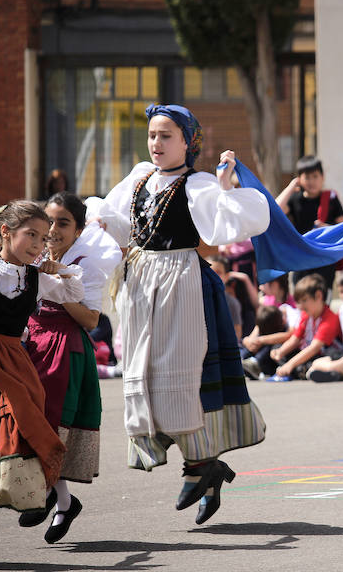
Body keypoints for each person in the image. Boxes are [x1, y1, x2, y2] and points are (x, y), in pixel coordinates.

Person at [84, 104, 269, 526]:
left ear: (188, 141)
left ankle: (200, 467)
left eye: (166, 135)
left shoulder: (198, 183)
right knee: (145, 374)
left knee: (180, 378)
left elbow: (221, 232)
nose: (156, 143)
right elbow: (112, 222)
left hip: (181, 282)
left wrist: (224, 190)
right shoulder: (139, 178)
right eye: (152, 135)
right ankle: (203, 466)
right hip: (140, 284)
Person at [0, 201, 84, 565]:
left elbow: (75, 293)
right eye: (31, 235)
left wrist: (60, 269)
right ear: (6, 232)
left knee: (10, 440)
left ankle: (53, 500)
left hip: (15, 365)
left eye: (44, 239)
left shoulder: (36, 278)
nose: (38, 245)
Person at [22, 192, 121, 544]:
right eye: (49, 221)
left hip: (64, 349)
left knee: (50, 426)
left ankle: (53, 496)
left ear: (78, 229)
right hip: (33, 342)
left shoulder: (84, 263)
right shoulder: (32, 252)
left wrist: (63, 287)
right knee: (30, 423)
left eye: (63, 223)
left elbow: (92, 319)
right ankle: (61, 499)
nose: (53, 230)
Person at [276, 155, 343, 290]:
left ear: (323, 177)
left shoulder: (331, 199)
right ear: (299, 179)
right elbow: (275, 210)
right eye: (307, 177)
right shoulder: (295, 199)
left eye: (315, 176)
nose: (311, 181)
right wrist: (291, 187)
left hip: (324, 260)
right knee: (301, 298)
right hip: (301, 259)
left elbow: (342, 229)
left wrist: (327, 229)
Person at [269, 273, 341, 380]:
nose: (300, 306)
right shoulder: (306, 315)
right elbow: (295, 339)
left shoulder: (330, 318)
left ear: (318, 296)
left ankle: (301, 370)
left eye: (304, 300)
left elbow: (314, 348)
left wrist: (290, 364)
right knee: (276, 348)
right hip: (305, 352)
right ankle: (299, 370)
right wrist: (280, 352)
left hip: (319, 354)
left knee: (329, 356)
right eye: (298, 302)